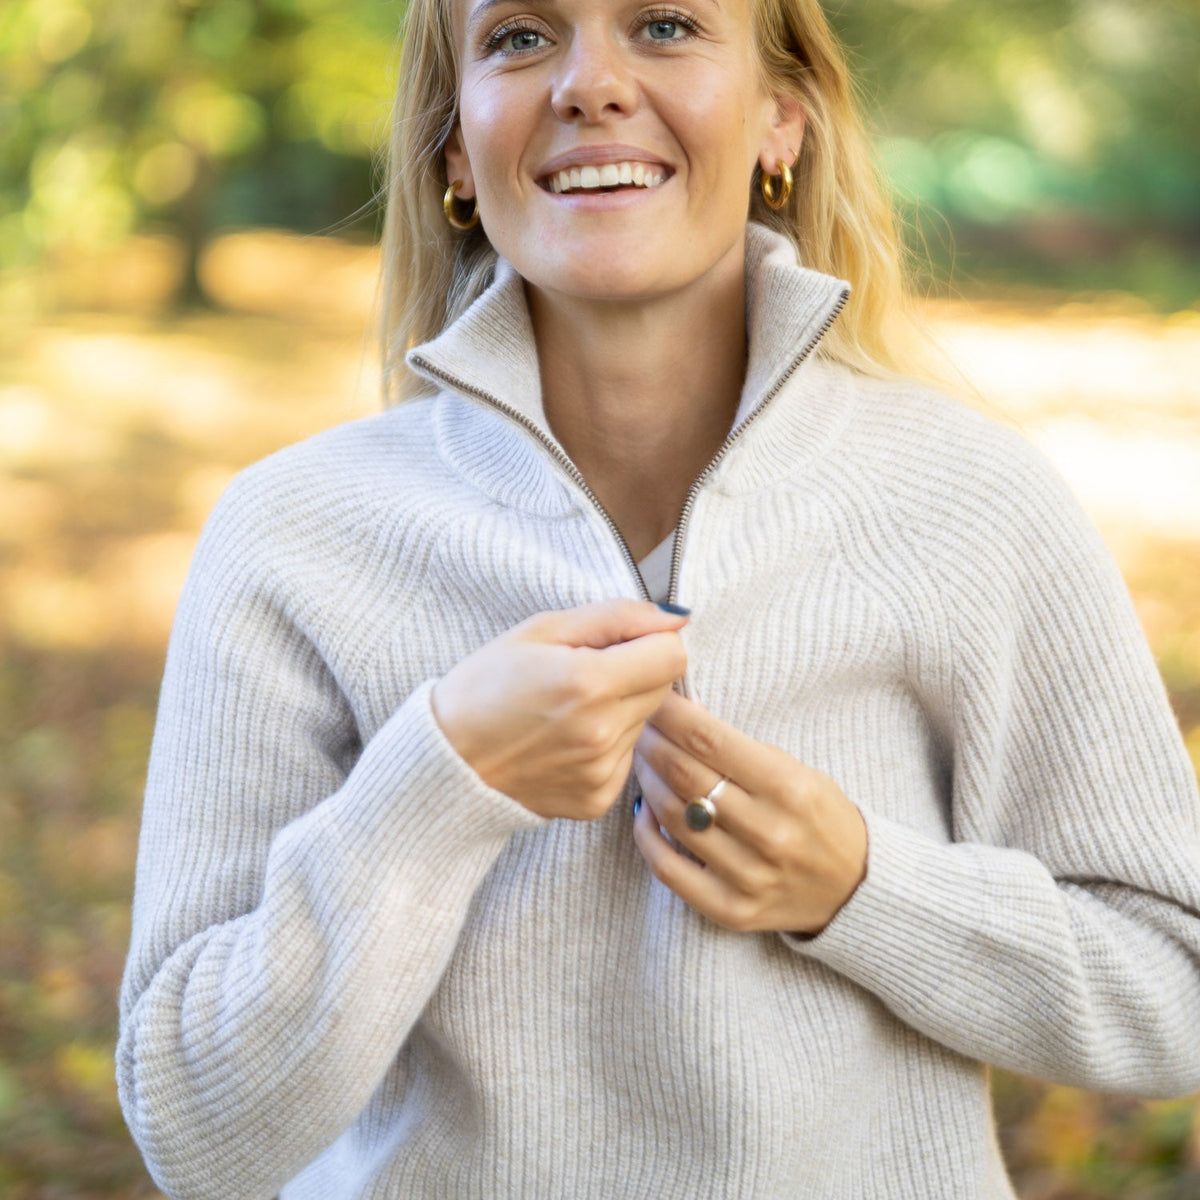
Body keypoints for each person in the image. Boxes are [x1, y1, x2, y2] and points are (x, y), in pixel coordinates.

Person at [116, 0, 1200, 1193]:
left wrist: (863, 889)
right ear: (453, 154)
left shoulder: (973, 505)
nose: (591, 83)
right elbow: (194, 1132)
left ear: (781, 119)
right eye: (521, 37)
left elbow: (1174, 985)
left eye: (668, 24)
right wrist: (437, 786)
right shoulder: (291, 538)